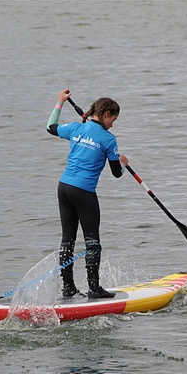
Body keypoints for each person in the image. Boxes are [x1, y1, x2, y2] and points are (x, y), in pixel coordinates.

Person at [46, 89, 129, 299]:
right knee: (92, 241)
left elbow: (50, 127)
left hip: (64, 187)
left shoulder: (76, 128)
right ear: (106, 114)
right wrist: (123, 163)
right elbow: (116, 173)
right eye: (113, 120)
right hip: (84, 192)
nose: (113, 125)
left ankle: (68, 287)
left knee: (68, 240)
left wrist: (60, 102)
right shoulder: (109, 140)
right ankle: (94, 289)